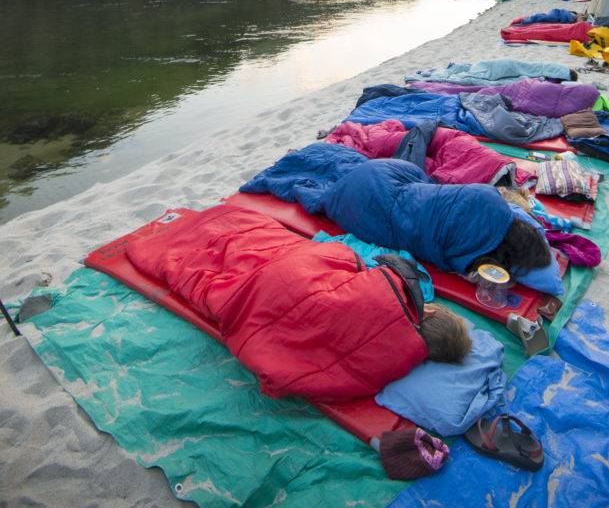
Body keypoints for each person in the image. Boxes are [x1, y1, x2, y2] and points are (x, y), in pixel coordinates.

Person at [126, 203, 470, 404]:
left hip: (277, 279)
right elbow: (288, 375)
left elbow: (342, 258)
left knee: (251, 235)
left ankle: (214, 224)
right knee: (207, 267)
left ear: (432, 312)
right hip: (253, 297)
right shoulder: (382, 371)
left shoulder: (390, 293)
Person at [320, 159, 552, 279]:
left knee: (423, 185)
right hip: (367, 203)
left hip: (382, 177)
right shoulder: (469, 258)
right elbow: (446, 257)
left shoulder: (490, 197)